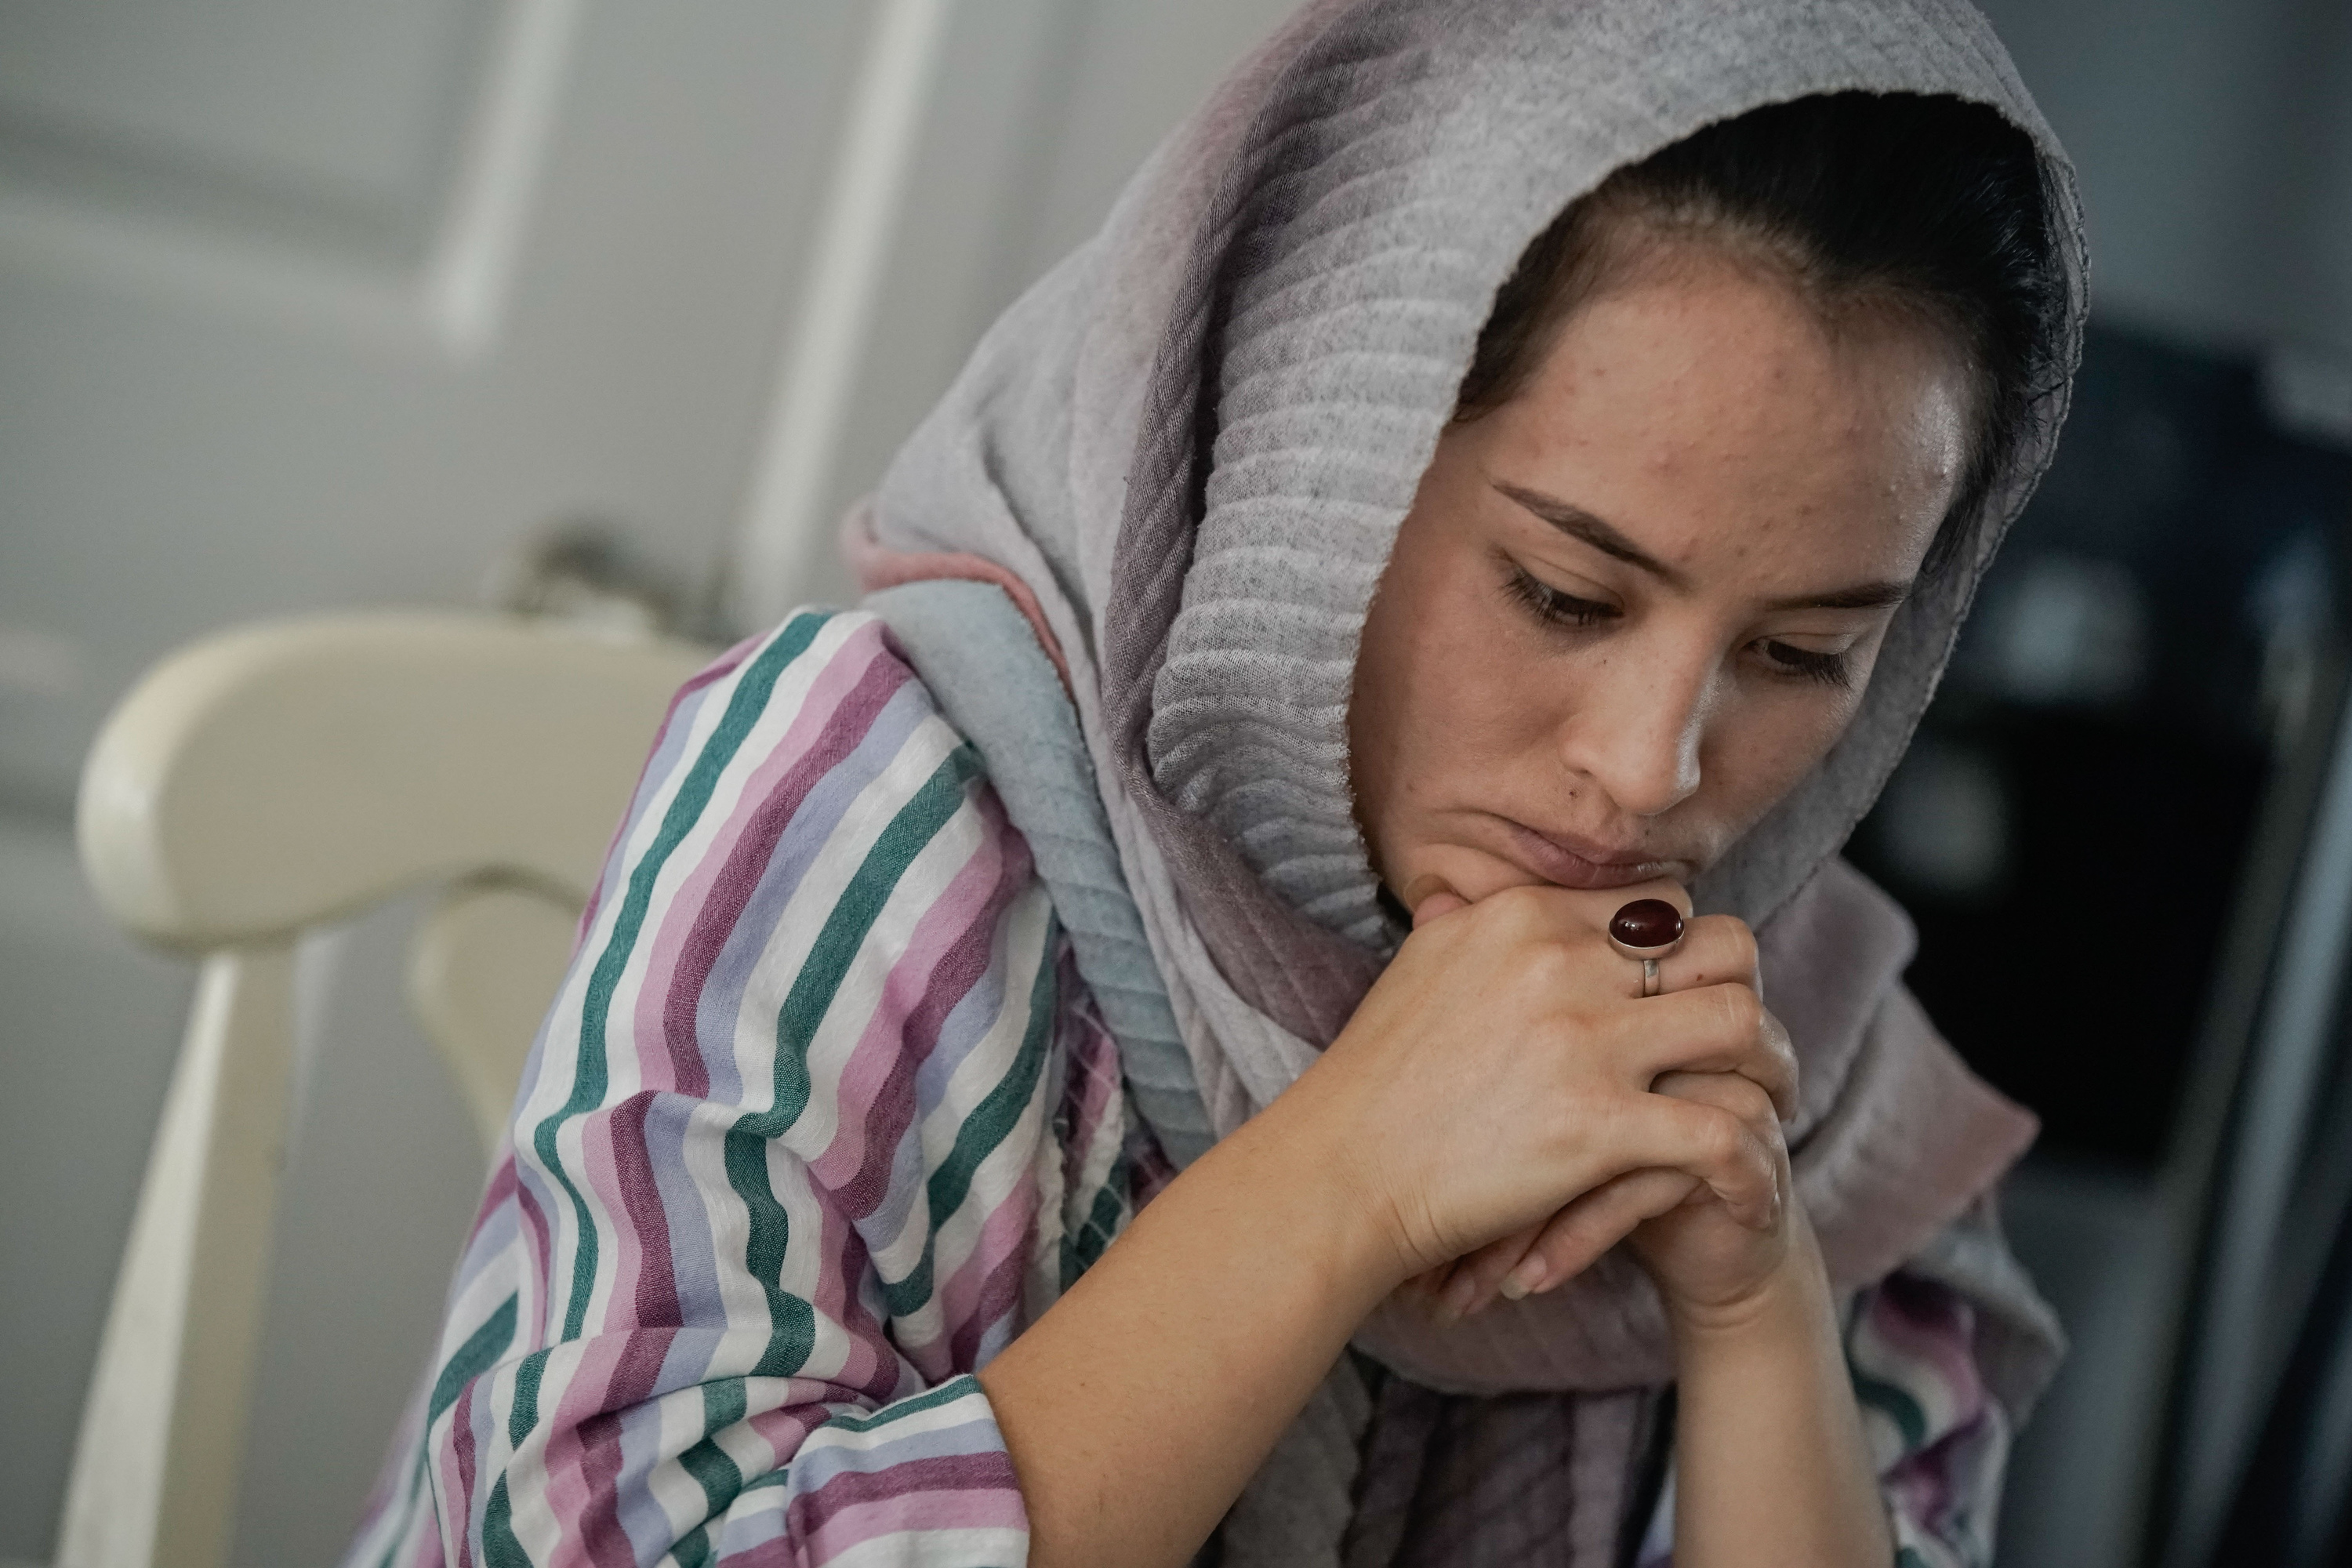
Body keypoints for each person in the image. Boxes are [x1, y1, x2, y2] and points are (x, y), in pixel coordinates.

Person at [346, 1, 2085, 1563]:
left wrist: (1753, 1307)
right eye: (1564, 592)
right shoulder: (879, 804)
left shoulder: (1805, 1070)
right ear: (1307, 451)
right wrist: (1349, 1170)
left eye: (1801, 655)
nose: (1651, 771)